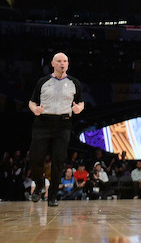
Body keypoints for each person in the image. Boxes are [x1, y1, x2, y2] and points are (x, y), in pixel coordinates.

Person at [28, 52, 85, 206]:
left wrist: (78, 108)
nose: (62, 63)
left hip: (63, 124)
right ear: (52, 64)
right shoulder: (43, 81)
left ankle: (52, 195)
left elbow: (80, 103)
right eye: (59, 61)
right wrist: (35, 110)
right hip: (43, 122)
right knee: (35, 159)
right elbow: (32, 102)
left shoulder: (74, 83)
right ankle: (40, 185)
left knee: (58, 160)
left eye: (65, 61)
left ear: (68, 64)